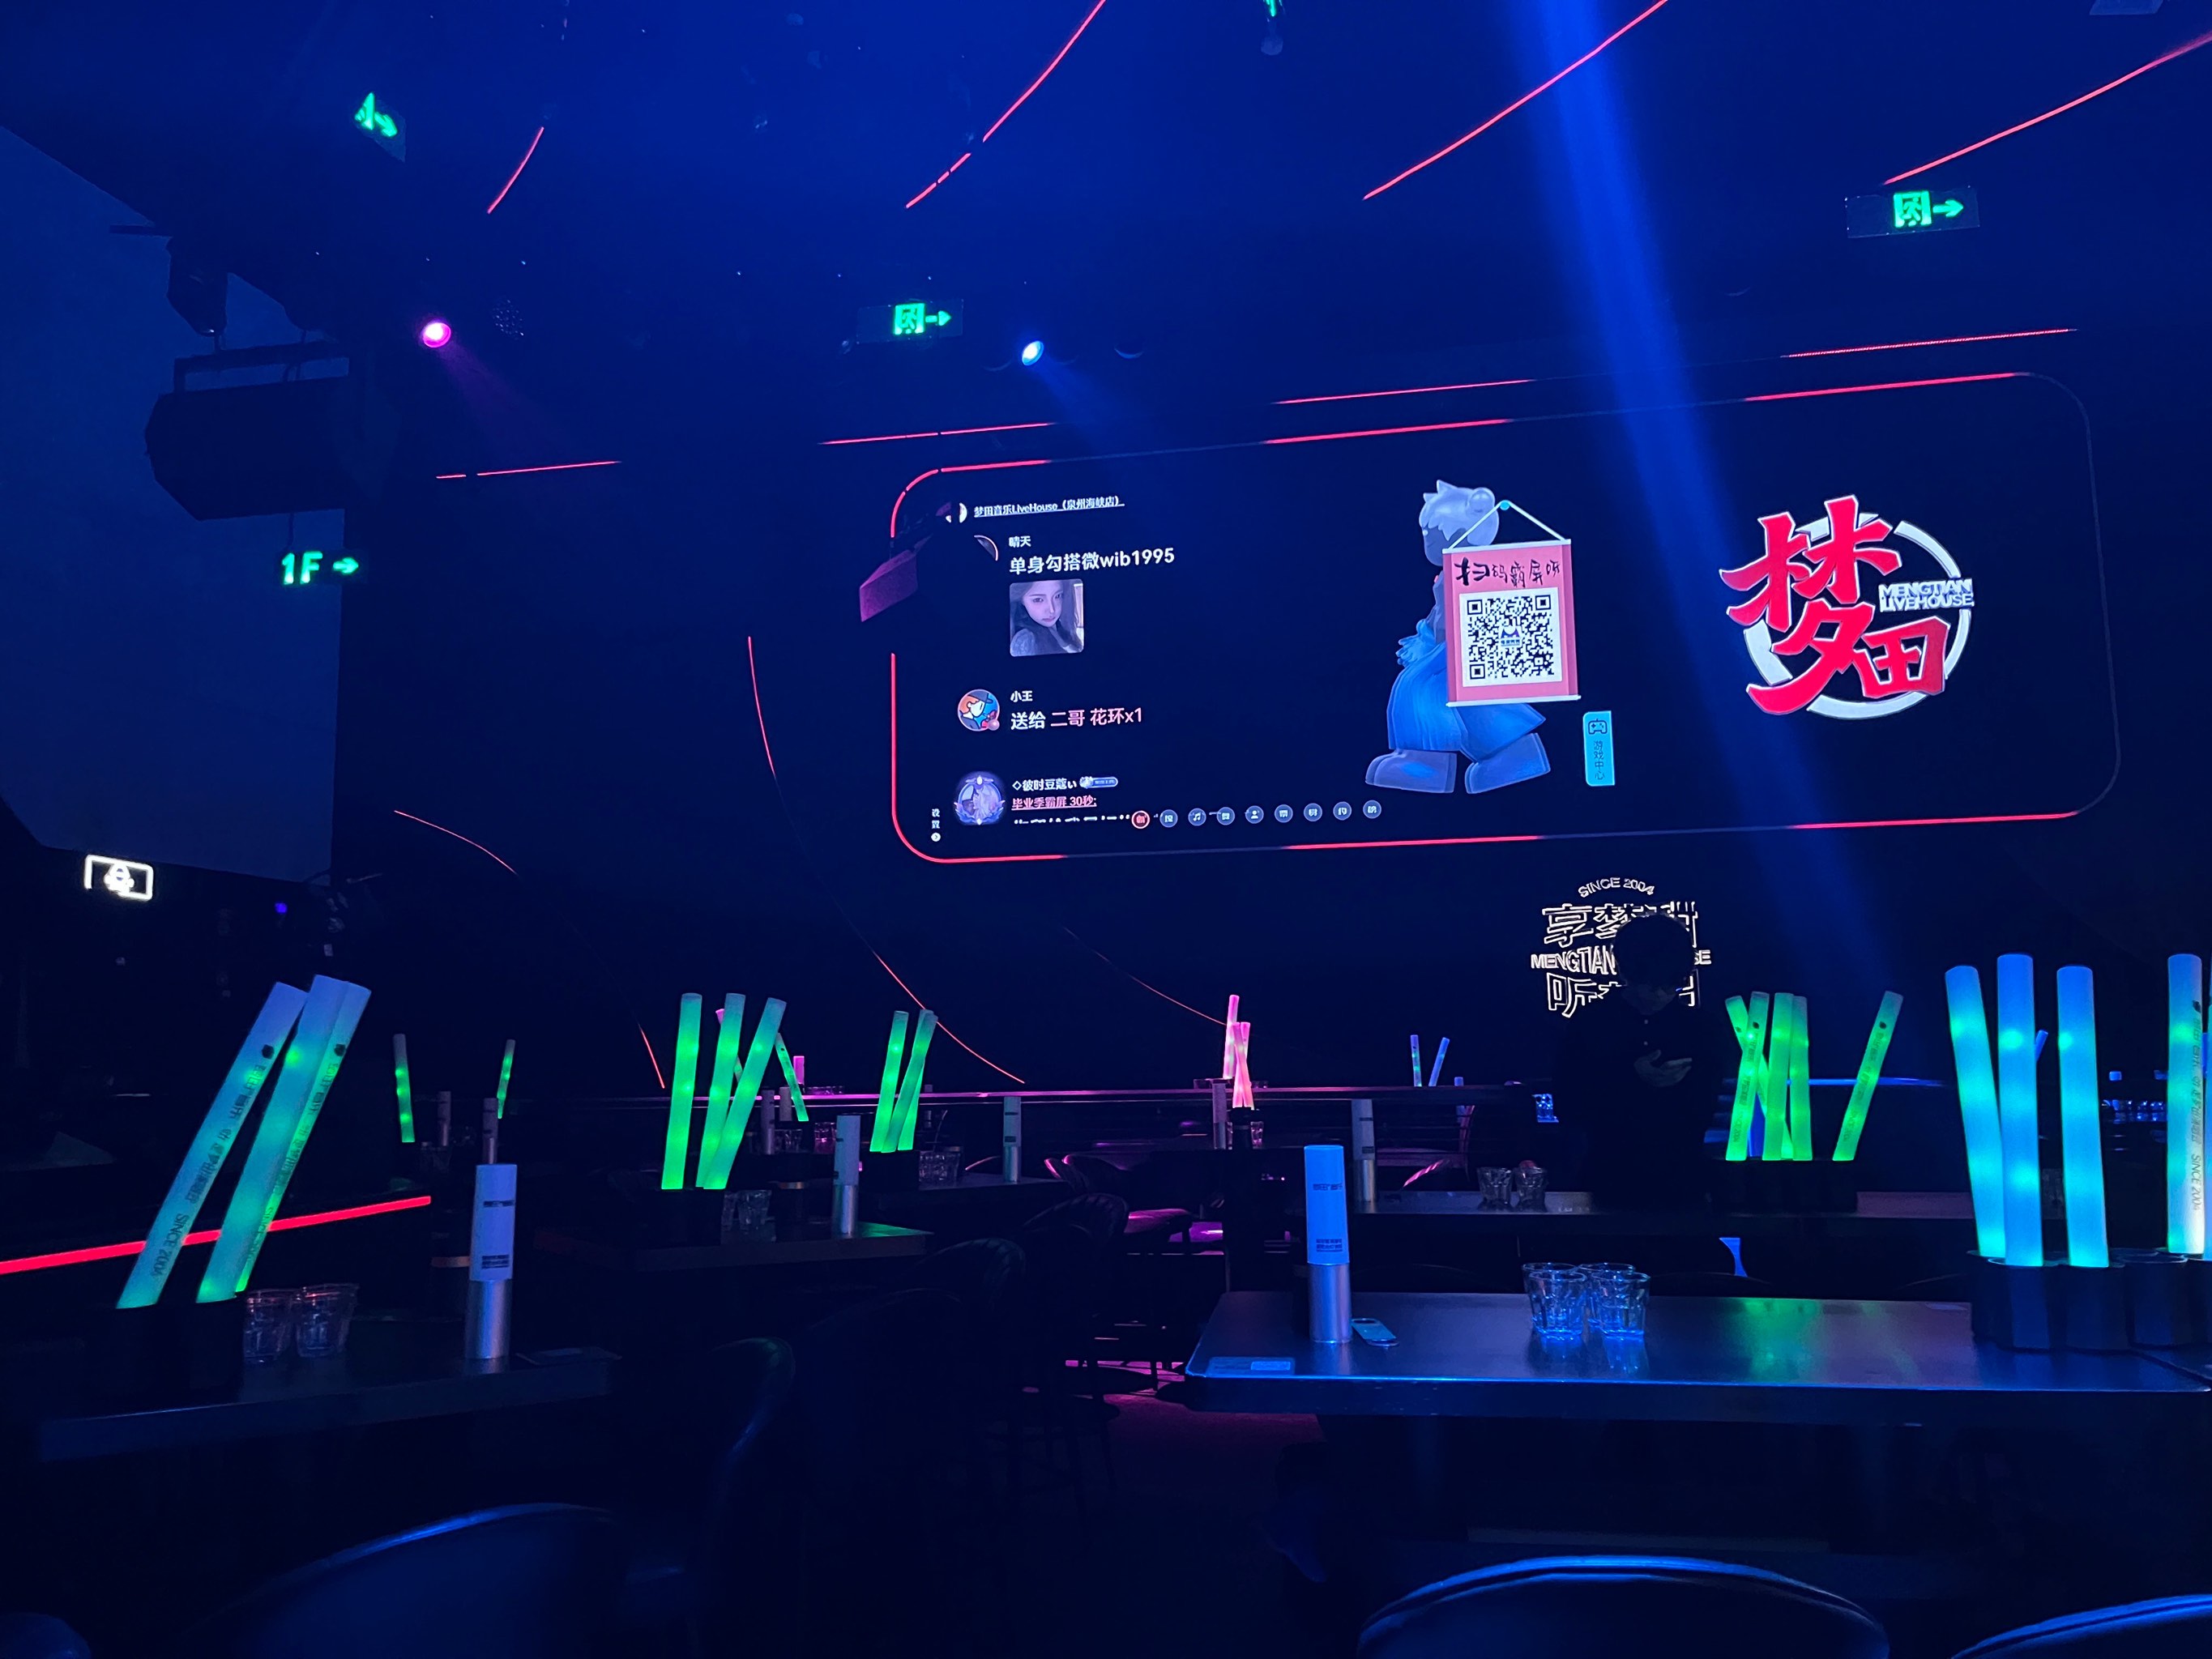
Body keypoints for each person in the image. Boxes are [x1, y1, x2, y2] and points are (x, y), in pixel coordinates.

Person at [1366, 480, 1548, 795]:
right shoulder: (1454, 573)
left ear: (1461, 535)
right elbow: (1440, 613)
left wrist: (1435, 639)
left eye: (1433, 534)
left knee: (1418, 690)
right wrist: (1427, 633)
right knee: (1473, 703)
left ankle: (1426, 762)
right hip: (1453, 646)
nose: (1427, 541)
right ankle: (1513, 755)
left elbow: (1457, 615)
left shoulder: (1468, 574)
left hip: (1456, 647)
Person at [1549, 913, 1726, 1208]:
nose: (1659, 994)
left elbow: (1708, 1108)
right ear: (1625, 971)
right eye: (1649, 983)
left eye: (1671, 984)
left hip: (1682, 1180)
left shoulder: (1702, 1027)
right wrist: (1632, 1079)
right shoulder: (1591, 1023)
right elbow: (1568, 1105)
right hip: (1608, 1178)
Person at [1009, 579, 1083, 655]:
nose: (1052, 610)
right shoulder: (1026, 641)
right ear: (1022, 600)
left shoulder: (1061, 629)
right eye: (1038, 600)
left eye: (1057, 596)